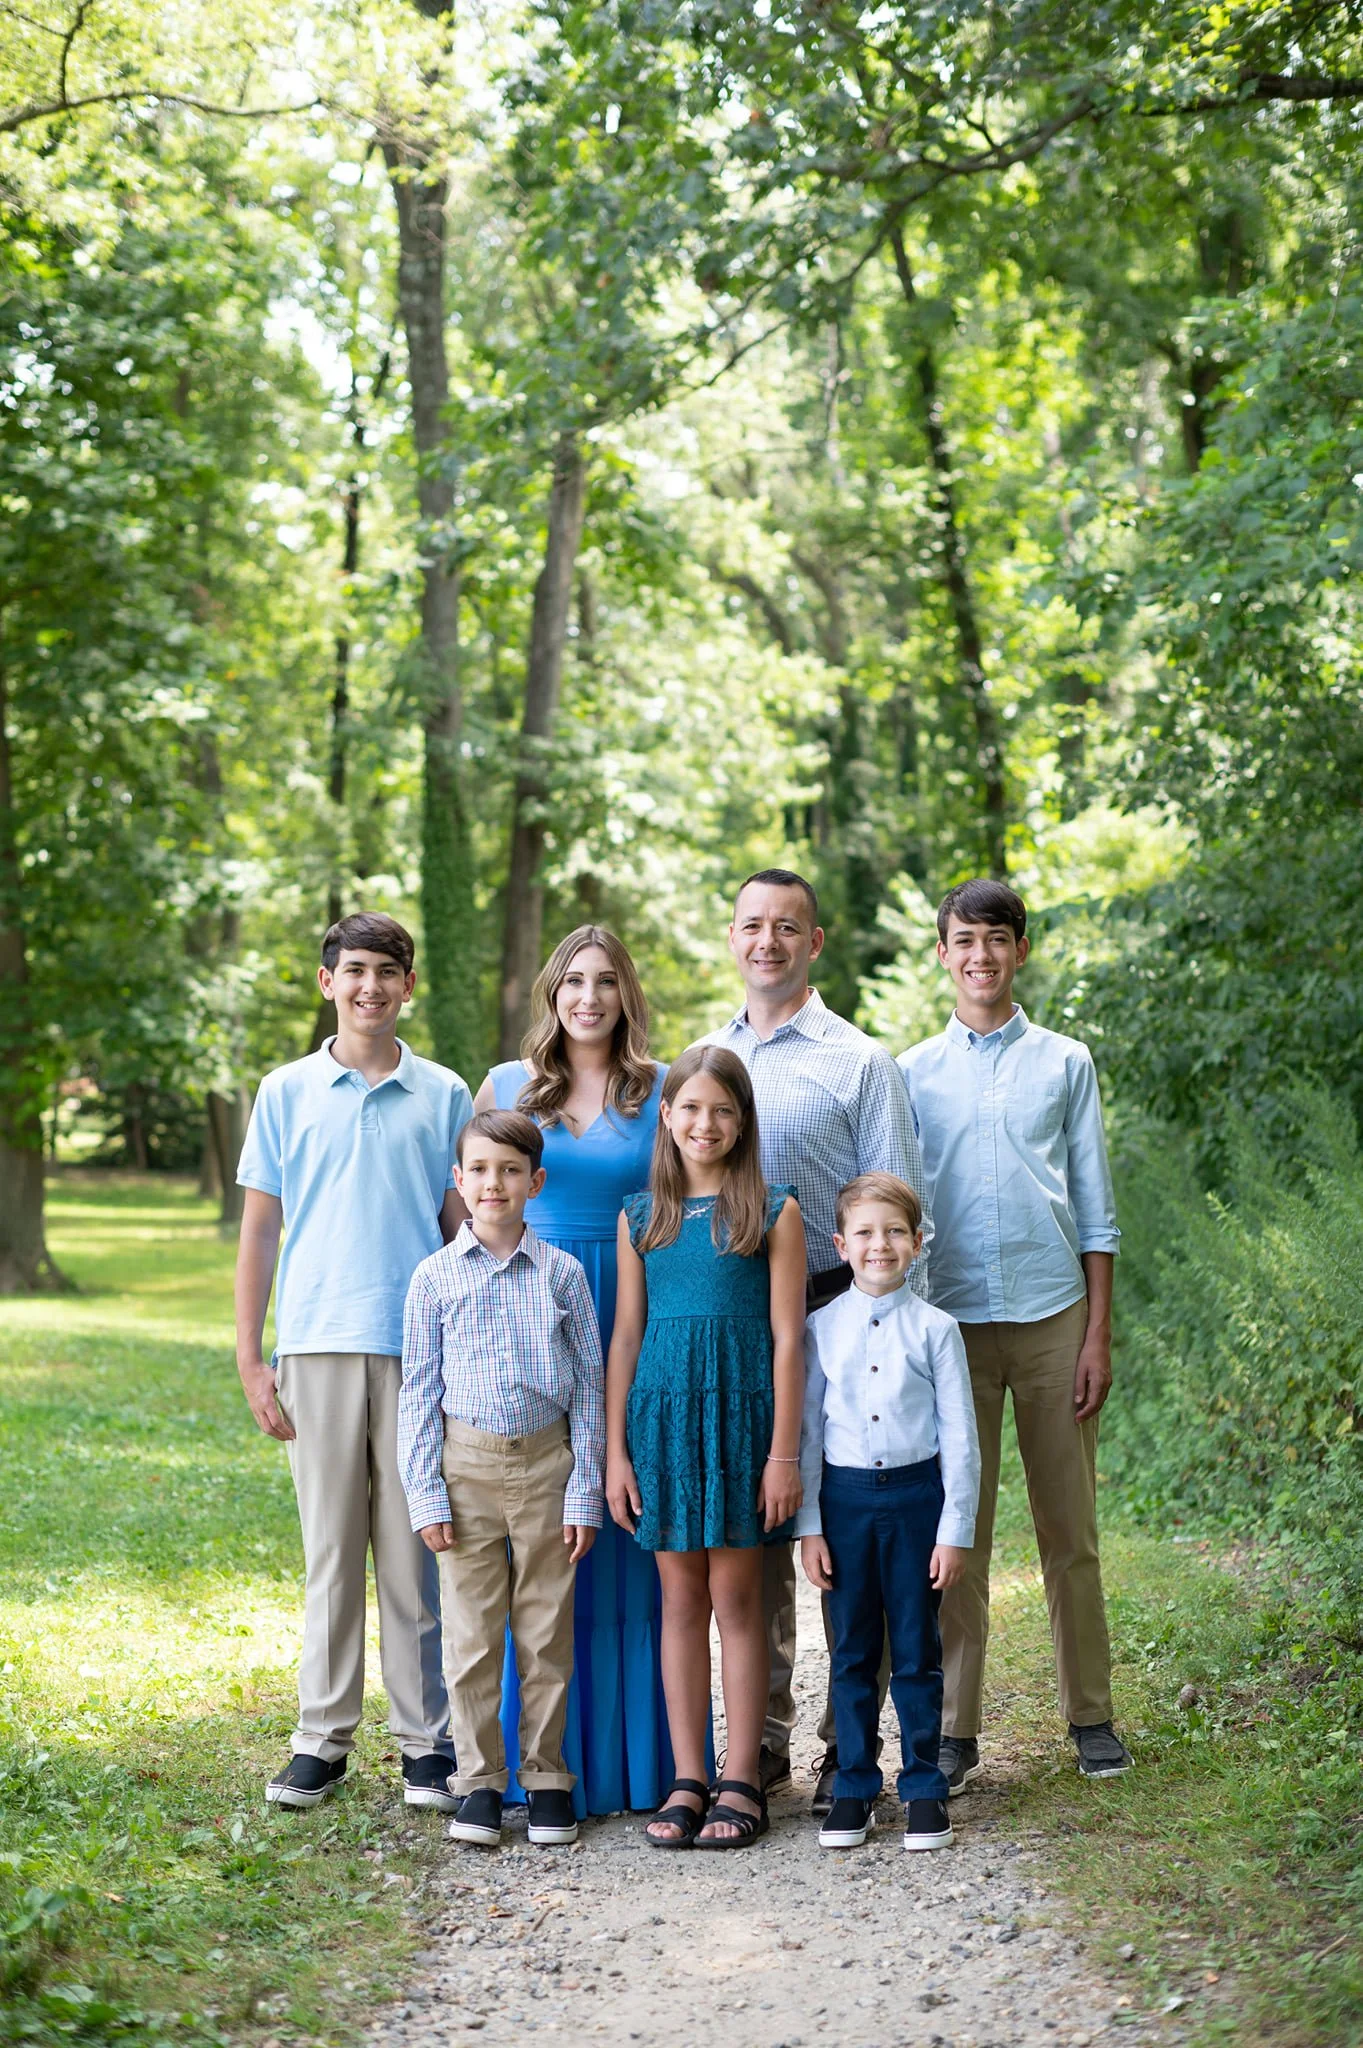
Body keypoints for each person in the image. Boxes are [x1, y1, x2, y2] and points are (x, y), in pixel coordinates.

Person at [704, 867, 931, 1813]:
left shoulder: (859, 1062)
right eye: (753, 925)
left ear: (814, 942)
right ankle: (755, 1743)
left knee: (841, 1529)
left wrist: (896, 1339)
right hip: (733, 1318)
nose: (768, 941)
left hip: (836, 1318)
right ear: (731, 936)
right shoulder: (702, 1061)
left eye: (787, 927)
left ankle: (850, 1746)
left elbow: (901, 1208)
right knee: (754, 1530)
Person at [234, 912, 471, 1811]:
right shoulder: (285, 1091)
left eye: (387, 972)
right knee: (331, 1553)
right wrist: (253, 1359)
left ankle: (425, 1745)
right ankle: (321, 1740)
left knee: (416, 1557)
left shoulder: (443, 1093)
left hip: (420, 1354)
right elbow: (261, 1230)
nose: (370, 986)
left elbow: (461, 1229)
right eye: (354, 971)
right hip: (318, 1345)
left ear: (410, 986)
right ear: (326, 981)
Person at [899, 878, 1132, 1786]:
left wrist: (1096, 1335)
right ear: (943, 953)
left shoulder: (1064, 1062)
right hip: (949, 1326)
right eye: (963, 941)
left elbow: (1098, 1212)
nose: (979, 956)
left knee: (1068, 1533)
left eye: (995, 940)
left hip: (1050, 1316)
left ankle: (1092, 1716)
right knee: (958, 1529)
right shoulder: (911, 1072)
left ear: (1019, 950)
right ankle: (955, 1731)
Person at [474, 926, 670, 1816]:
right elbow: (472, 1215)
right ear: (550, 992)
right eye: (572, 982)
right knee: (544, 1539)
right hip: (536, 1312)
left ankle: (637, 1761)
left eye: (604, 982)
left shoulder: (661, 1088)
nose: (587, 998)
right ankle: (533, 1765)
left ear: (625, 993)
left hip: (633, 1308)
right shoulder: (507, 1089)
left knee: (626, 1534)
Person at [605, 1046, 806, 1849]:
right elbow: (625, 1336)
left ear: (743, 1121)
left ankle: (740, 1777)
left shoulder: (772, 1210)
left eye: (722, 1110)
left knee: (738, 1600)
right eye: (689, 1108)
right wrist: (616, 1454)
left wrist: (782, 1454)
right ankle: (688, 1777)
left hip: (742, 1422)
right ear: (666, 1115)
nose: (705, 1124)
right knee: (679, 1602)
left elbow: (789, 1340)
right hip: (660, 1422)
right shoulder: (639, 1217)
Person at [397, 1110, 605, 1849]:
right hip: (466, 1471)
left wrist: (584, 1489)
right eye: (480, 1170)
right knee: (472, 1637)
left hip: (547, 1468)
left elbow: (589, 1386)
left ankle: (546, 1779)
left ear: (535, 1183)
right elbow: (418, 1391)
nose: (494, 1184)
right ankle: (479, 1785)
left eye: (510, 1171)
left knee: (546, 1632)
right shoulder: (433, 1278)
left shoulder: (563, 1275)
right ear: (459, 1180)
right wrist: (425, 1493)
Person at [796, 1174, 979, 1854]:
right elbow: (809, 1434)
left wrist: (952, 1531)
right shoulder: (821, 1327)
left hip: (914, 1503)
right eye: (866, 1233)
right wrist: (809, 1527)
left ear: (917, 1243)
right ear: (841, 1245)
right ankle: (852, 1785)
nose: (880, 1245)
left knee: (916, 1650)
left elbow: (960, 1437)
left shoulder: (936, 1330)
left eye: (894, 1231)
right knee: (850, 1651)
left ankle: (924, 1785)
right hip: (843, 1504)